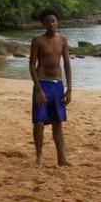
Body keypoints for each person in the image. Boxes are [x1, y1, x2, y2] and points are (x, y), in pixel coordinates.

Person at [29, 9, 72, 167]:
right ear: (43, 24)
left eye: (53, 21)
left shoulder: (62, 40)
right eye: (47, 22)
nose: (51, 24)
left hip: (57, 85)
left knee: (57, 122)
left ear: (57, 21)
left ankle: (62, 158)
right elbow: (32, 65)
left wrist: (69, 89)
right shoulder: (38, 41)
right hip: (42, 83)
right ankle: (39, 156)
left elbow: (67, 63)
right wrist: (38, 89)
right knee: (39, 122)